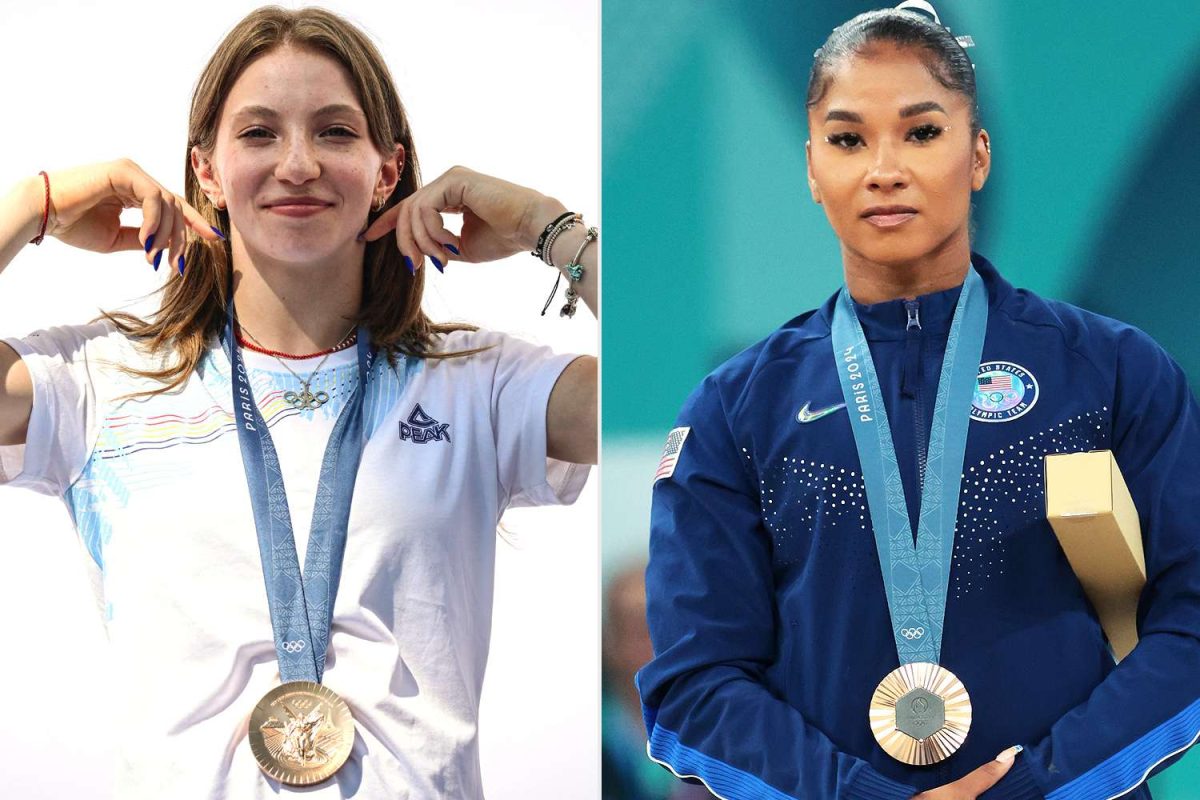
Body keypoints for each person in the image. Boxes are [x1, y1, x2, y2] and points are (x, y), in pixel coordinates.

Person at [0, 5, 595, 798]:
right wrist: (33, 205)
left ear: (389, 169)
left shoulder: (478, 384)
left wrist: (545, 228)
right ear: (205, 171)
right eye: (258, 133)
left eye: (336, 132)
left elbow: (693, 406)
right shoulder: (100, 379)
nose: (299, 163)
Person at [637, 4, 1200, 799]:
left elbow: (1193, 622)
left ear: (978, 154)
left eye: (922, 132)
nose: (883, 168)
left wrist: (1035, 788)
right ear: (810, 169)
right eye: (847, 139)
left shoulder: (1112, 372)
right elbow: (695, 681)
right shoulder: (736, 407)